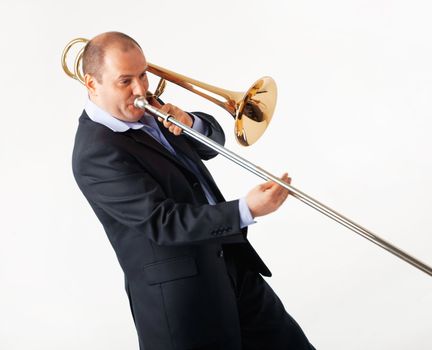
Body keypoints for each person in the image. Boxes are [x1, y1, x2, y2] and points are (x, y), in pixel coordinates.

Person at [72, 31, 315, 350]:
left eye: (143, 75)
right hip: (184, 303)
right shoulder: (96, 153)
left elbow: (213, 142)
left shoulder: (146, 110)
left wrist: (189, 120)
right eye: (125, 81)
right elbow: (163, 221)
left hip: (233, 268)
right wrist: (246, 210)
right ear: (92, 84)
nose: (140, 89)